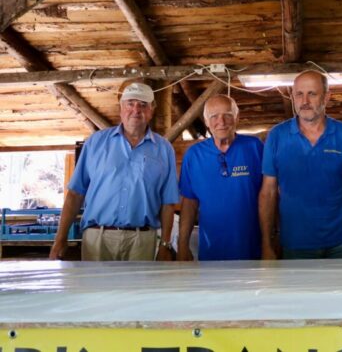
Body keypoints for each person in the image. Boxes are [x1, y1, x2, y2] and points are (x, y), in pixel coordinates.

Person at [49, 82, 180, 261]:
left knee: (141, 282)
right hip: (97, 238)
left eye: (143, 105)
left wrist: (165, 244)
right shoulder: (95, 143)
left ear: (151, 110)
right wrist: (60, 238)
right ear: (121, 108)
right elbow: (75, 193)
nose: (136, 110)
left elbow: (168, 202)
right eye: (130, 103)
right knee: (95, 282)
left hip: (142, 240)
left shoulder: (164, 149)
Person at [259, 70, 342, 259]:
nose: (305, 101)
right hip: (294, 244)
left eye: (312, 94)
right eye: (299, 94)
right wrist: (267, 244)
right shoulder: (277, 136)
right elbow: (268, 193)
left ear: (326, 97)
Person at [177, 94, 263, 261]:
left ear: (237, 117)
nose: (221, 122)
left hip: (252, 249)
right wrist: (182, 245)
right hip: (211, 252)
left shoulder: (255, 147)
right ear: (206, 121)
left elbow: (269, 195)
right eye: (214, 116)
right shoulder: (194, 155)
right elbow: (189, 203)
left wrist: (272, 239)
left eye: (227, 115)